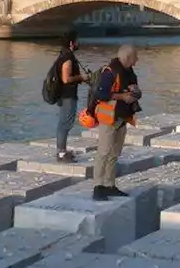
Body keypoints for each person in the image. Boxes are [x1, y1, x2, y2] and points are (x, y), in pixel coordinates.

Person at [89, 43, 142, 201]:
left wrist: (136, 93)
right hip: (109, 117)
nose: (137, 60)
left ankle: (109, 185)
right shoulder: (110, 72)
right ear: (127, 57)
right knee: (104, 152)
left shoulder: (129, 72)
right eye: (135, 57)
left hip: (122, 117)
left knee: (114, 153)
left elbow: (133, 90)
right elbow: (101, 94)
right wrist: (122, 97)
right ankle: (98, 187)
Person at [53, 30, 90, 163]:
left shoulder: (64, 54)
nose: (78, 43)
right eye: (77, 40)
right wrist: (82, 77)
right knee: (66, 124)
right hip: (67, 95)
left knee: (64, 123)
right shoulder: (67, 58)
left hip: (65, 95)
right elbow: (66, 78)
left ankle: (61, 151)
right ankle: (61, 153)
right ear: (71, 43)